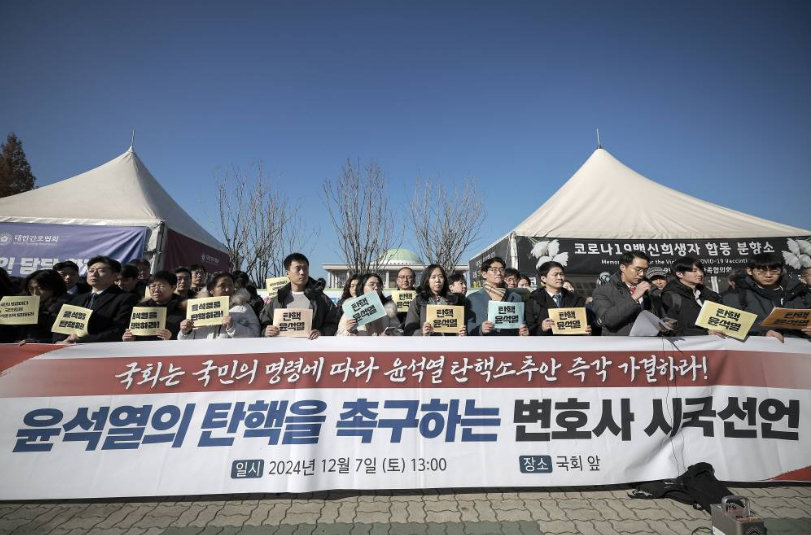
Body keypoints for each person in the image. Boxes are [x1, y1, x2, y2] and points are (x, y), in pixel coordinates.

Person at [723, 252, 811, 341]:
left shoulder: (798, 291)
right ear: (749, 271)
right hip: (759, 348)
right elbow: (731, 325)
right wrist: (762, 333)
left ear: (781, 271)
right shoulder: (738, 295)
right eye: (761, 271)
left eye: (774, 271)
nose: (768, 275)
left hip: (798, 348)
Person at [54, 256, 139, 344]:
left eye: (101, 271)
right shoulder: (76, 299)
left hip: (100, 350)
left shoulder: (126, 298)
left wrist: (80, 341)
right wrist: (59, 341)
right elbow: (62, 324)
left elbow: (118, 329)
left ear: (115, 276)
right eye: (91, 271)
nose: (94, 274)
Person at [260, 253, 338, 339]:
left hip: (311, 350)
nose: (302, 272)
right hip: (283, 349)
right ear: (287, 273)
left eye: (305, 269)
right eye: (298, 269)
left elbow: (333, 323)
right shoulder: (277, 300)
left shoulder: (321, 299)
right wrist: (265, 331)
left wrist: (321, 332)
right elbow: (263, 323)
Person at [179, 271, 260, 339]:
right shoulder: (198, 308)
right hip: (204, 356)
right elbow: (185, 341)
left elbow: (255, 334)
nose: (227, 289)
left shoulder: (243, 308)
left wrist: (233, 327)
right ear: (211, 289)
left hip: (231, 356)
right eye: (222, 285)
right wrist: (185, 331)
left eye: (230, 285)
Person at [591, 250, 653, 336]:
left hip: (649, 345)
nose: (642, 274)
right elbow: (607, 320)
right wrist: (633, 297)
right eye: (637, 269)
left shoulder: (649, 289)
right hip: (619, 346)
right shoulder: (603, 291)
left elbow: (656, 317)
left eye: (645, 270)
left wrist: (665, 323)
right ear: (623, 267)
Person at [660, 257, 722, 337]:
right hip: (689, 346)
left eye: (701, 270)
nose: (700, 274)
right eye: (694, 271)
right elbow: (673, 328)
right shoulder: (670, 296)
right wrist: (706, 333)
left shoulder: (710, 294)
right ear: (679, 274)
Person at [466, 257, 529, 336]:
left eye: (502, 270)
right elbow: (469, 326)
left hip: (510, 345)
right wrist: (480, 329)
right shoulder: (473, 298)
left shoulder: (515, 297)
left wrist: (523, 331)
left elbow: (522, 322)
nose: (499, 273)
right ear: (484, 274)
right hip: (484, 345)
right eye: (494, 270)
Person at [526, 261, 591, 336]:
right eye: (555, 275)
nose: (559, 278)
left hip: (571, 345)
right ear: (544, 278)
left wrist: (587, 331)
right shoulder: (534, 300)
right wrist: (541, 328)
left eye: (561, 274)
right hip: (546, 345)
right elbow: (529, 329)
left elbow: (585, 324)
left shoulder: (576, 299)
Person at [403, 264, 467, 336]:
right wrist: (421, 332)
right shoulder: (418, 301)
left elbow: (461, 326)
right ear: (427, 281)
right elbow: (408, 331)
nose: (437, 280)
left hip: (449, 345)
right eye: (433, 277)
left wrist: (461, 333)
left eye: (441, 277)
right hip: (426, 345)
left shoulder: (454, 301)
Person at [123, 271, 185, 341]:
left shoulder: (183, 307)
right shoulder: (141, 308)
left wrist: (172, 337)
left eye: (161, 286)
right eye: (153, 286)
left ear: (173, 287)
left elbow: (190, 335)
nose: (156, 290)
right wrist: (130, 338)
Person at [338, 273, 402, 336]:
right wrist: (350, 331)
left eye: (379, 285)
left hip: (383, 345)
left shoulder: (388, 308)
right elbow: (339, 335)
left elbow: (398, 331)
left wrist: (390, 334)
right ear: (362, 287)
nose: (376, 287)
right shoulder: (352, 308)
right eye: (372, 284)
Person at [17, 269, 69, 343]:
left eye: (40, 288)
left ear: (54, 287)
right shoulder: (22, 302)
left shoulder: (67, 304)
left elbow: (61, 337)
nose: (35, 293)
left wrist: (37, 342)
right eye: (31, 288)